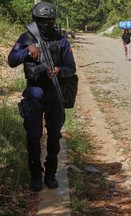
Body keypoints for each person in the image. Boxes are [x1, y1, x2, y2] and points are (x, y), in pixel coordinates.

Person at [8, 1, 76, 191]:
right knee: (33, 136)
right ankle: (36, 175)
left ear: (54, 21)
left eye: (49, 21)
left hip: (55, 94)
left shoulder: (61, 40)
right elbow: (11, 60)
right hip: (34, 93)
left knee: (54, 136)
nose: (46, 24)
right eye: (41, 21)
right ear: (35, 20)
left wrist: (58, 70)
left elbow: (72, 68)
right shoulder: (26, 38)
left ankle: (51, 174)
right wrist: (27, 51)